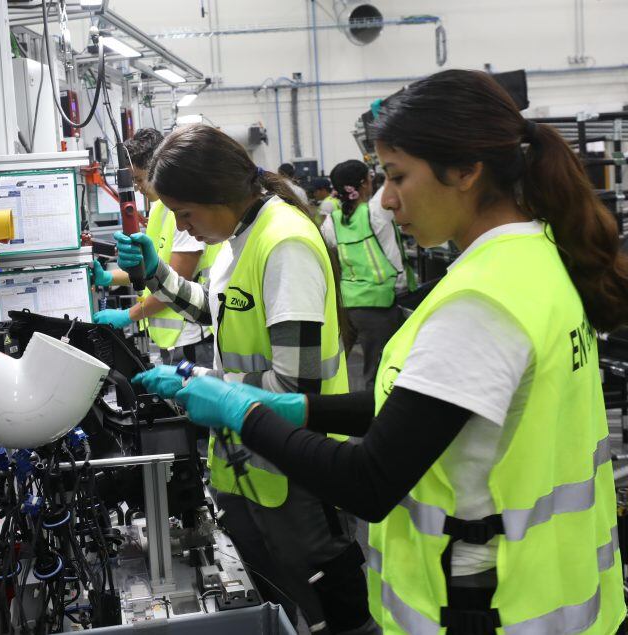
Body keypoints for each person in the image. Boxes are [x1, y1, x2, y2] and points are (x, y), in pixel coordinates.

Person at [173, 70, 628, 633]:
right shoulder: (537, 259)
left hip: (486, 608)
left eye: (398, 176)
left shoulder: (481, 303)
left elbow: (369, 480)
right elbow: (426, 412)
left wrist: (243, 413)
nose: (386, 201)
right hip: (558, 595)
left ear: (465, 171)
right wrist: (304, 409)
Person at [124, 125, 374, 633]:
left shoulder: (284, 245)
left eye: (185, 213)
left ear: (216, 192)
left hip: (296, 476)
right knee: (282, 614)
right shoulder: (241, 237)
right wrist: (158, 276)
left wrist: (204, 381)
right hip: (251, 465)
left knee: (331, 619)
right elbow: (220, 312)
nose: (181, 226)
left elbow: (296, 387)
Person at [92, 128, 220, 365]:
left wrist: (127, 315)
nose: (137, 187)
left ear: (158, 169)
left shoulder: (184, 215)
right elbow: (152, 270)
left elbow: (174, 282)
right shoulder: (159, 210)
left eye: (139, 179)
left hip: (193, 336)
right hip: (172, 340)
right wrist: (108, 278)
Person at [321, 159, 414, 390]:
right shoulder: (375, 213)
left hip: (347, 305)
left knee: (335, 369)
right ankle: (373, 412)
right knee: (379, 373)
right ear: (364, 184)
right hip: (378, 304)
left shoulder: (331, 222)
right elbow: (395, 178)